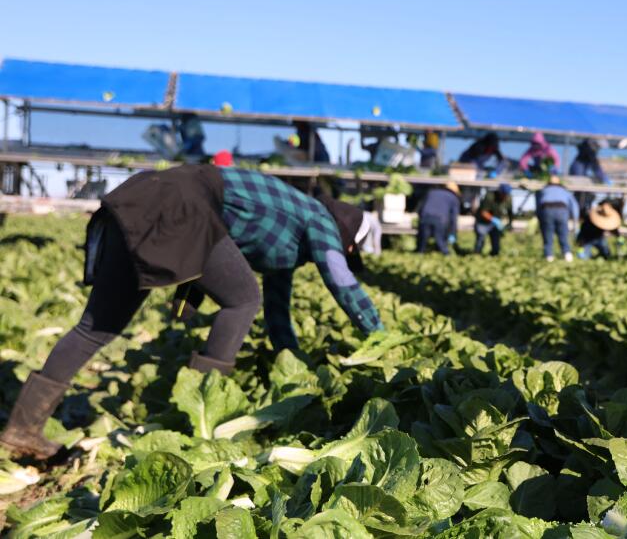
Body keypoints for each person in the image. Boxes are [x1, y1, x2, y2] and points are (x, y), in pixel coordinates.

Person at [0, 165, 380, 460]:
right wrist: (378, 339)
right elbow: (341, 280)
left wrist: (294, 365)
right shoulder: (320, 220)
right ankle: (198, 418)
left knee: (95, 328)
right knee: (243, 300)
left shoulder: (288, 229)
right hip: (178, 204)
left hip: (139, 197)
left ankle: (22, 428)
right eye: (350, 249)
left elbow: (277, 312)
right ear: (347, 239)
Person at [535, 176, 578, 262]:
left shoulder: (543, 190)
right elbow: (574, 206)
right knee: (563, 235)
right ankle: (567, 255)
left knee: (547, 236)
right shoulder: (565, 191)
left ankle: (549, 257)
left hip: (546, 210)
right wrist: (575, 220)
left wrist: (540, 218)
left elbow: (538, 206)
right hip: (562, 210)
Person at [416, 182, 461, 255]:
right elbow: (453, 217)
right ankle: (446, 255)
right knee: (440, 240)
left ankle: (420, 254)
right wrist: (453, 233)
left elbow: (420, 208)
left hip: (425, 218)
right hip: (440, 220)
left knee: (422, 241)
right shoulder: (453, 198)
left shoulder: (431, 192)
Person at [569, 139, 609, 214]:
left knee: (582, 195)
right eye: (598, 147)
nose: (598, 149)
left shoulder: (586, 148)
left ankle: (578, 212)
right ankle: (579, 213)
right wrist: (603, 178)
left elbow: (595, 167)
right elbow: (596, 167)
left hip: (577, 172)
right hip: (578, 175)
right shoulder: (589, 151)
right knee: (583, 195)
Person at [473, 183, 513, 256]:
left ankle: (494, 255)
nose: (504, 196)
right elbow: (484, 212)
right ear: (499, 192)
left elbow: (510, 212)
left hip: (495, 223)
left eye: (506, 194)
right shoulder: (490, 196)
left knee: (496, 242)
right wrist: (494, 220)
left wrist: (510, 223)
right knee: (480, 240)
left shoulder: (508, 198)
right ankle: (477, 255)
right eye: (503, 194)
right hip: (483, 222)